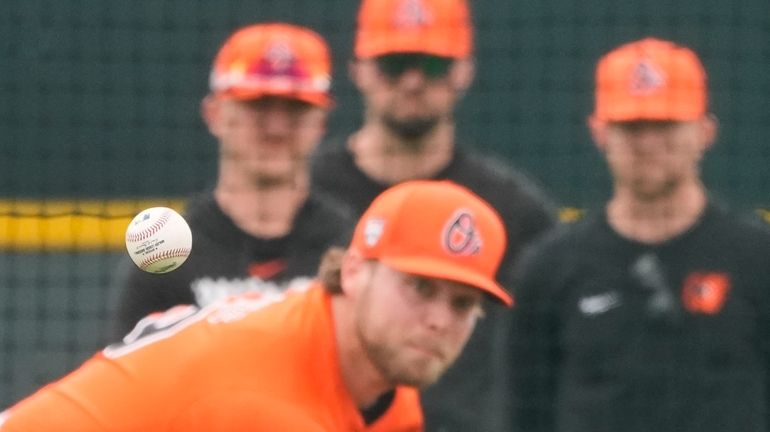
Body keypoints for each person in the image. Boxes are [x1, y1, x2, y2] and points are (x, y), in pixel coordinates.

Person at [0, 180, 512, 431]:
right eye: (419, 288)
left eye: (464, 303)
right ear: (354, 272)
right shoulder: (263, 396)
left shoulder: (382, 389)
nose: (439, 319)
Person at [311, 0, 556, 429]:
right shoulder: (309, 197)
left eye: (432, 64)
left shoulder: (515, 212)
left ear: (464, 70)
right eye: (394, 63)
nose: (412, 81)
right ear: (359, 68)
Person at [510, 37, 770, 432]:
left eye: (665, 124)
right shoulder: (549, 269)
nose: (648, 143)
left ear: (705, 131)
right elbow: (523, 415)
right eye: (631, 126)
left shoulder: (757, 261)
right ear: (599, 133)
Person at [109, 23, 353, 340]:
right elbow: (132, 381)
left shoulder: (350, 246)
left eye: (296, 107)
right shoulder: (166, 254)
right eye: (258, 105)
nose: (277, 128)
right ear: (214, 114)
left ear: (321, 123)